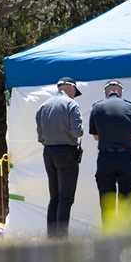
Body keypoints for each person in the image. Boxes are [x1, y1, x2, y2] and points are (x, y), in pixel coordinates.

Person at [89, 80, 131, 226]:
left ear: (105, 93)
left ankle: (108, 237)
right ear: (121, 92)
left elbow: (96, 136)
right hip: (126, 157)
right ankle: (126, 237)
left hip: (105, 157)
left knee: (107, 202)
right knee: (127, 202)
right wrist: (125, 144)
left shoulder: (96, 107)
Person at [35, 77, 84, 238]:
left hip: (48, 152)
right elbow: (78, 132)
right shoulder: (72, 104)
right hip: (66, 153)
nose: (74, 95)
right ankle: (61, 238)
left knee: (54, 197)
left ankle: (51, 237)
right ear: (70, 87)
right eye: (74, 91)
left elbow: (40, 136)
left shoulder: (44, 106)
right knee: (66, 198)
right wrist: (81, 128)